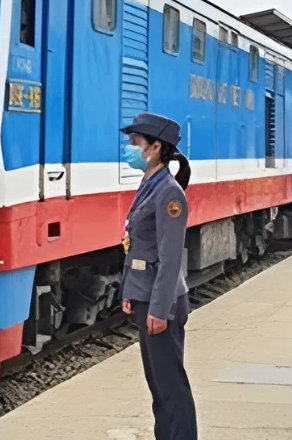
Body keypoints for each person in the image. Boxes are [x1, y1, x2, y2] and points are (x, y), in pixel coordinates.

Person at [120, 112, 198, 439]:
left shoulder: (169, 193)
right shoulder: (150, 184)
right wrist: (130, 292)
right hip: (145, 295)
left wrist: (158, 309)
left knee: (170, 385)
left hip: (160, 302)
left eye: (134, 142)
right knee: (157, 385)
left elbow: (168, 257)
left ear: (153, 147)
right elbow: (138, 246)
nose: (128, 147)